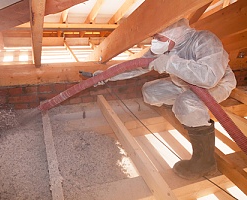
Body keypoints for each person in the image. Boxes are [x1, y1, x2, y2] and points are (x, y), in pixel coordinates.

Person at [93, 18, 236, 180]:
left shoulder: (205, 40)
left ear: (174, 33)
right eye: (154, 37)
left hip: (216, 84)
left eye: (159, 38)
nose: (155, 42)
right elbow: (137, 65)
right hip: (183, 83)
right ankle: (185, 114)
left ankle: (205, 162)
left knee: (186, 103)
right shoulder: (167, 45)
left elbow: (209, 77)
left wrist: (170, 63)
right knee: (150, 92)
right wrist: (107, 75)